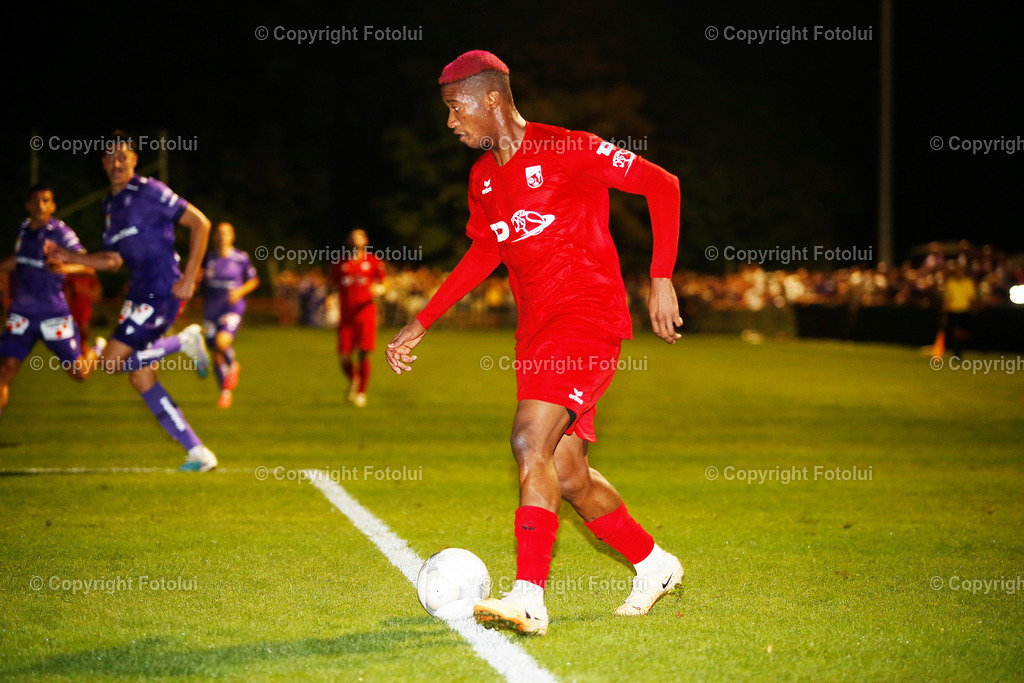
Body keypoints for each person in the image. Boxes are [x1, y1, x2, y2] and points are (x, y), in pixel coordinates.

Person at [386, 51, 684, 635]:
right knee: (567, 472)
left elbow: (662, 185)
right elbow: (485, 252)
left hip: (588, 319)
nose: (451, 122)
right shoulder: (482, 178)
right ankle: (655, 564)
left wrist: (661, 276)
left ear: (491, 98)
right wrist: (423, 321)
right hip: (537, 335)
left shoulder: (569, 148)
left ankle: (528, 596)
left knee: (528, 439)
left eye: (455, 108)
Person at [46, 133, 217, 472]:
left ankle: (184, 341)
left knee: (110, 362)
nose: (116, 162)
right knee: (140, 377)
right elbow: (112, 260)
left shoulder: (150, 190)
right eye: (109, 157)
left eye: (122, 155)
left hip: (162, 290)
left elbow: (201, 223)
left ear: (134, 159)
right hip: (139, 295)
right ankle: (198, 452)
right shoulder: (110, 205)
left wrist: (188, 277)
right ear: (103, 163)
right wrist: (70, 259)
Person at [0, 184, 99, 416]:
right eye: (35, 200)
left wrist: (66, 266)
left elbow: (89, 267)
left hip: (53, 316)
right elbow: (19, 260)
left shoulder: (62, 234)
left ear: (53, 206)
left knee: (79, 374)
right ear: (27, 205)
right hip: (21, 315)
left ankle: (97, 350)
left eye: (45, 200)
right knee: (5, 371)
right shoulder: (23, 230)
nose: (40, 205)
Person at [200, 222, 259, 408]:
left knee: (221, 342)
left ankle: (233, 365)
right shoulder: (207, 258)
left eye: (226, 233)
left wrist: (240, 291)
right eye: (219, 233)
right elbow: (199, 279)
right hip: (211, 309)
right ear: (214, 236)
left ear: (232, 236)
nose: (222, 236)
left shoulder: (240, 258)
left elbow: (253, 280)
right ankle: (225, 392)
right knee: (215, 352)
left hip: (232, 308)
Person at [330, 228, 387, 407]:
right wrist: (329, 299)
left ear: (365, 240)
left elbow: (385, 281)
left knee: (363, 352)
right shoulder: (340, 262)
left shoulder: (373, 261)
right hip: (346, 315)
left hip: (366, 313)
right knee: (344, 356)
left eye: (360, 236)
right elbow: (332, 285)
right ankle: (354, 379)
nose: (356, 240)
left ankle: (362, 392)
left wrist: (380, 289)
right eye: (353, 237)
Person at [942, 263, 977, 360]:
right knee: (955, 333)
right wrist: (944, 312)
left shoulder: (968, 282)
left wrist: (974, 309)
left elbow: (972, 298)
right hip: (953, 310)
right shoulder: (951, 282)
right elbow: (947, 298)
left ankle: (960, 350)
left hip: (964, 310)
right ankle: (957, 353)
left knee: (962, 333)